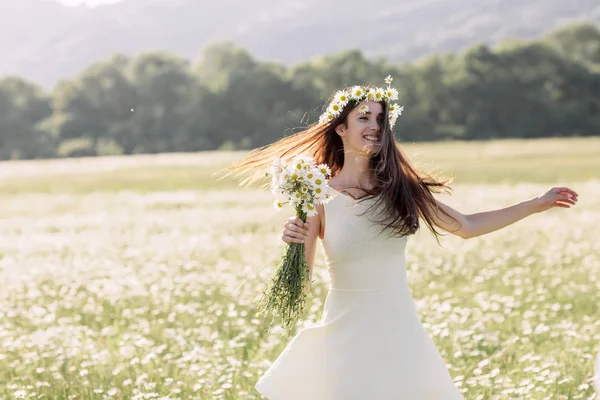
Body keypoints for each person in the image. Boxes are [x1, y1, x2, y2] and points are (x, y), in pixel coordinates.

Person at [225, 77, 579, 399]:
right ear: (340, 128)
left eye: (381, 120)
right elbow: (299, 285)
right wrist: (294, 240)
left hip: (398, 327)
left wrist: (536, 204)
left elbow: (468, 226)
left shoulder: (400, 191)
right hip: (345, 331)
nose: (375, 126)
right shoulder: (317, 196)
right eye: (364, 117)